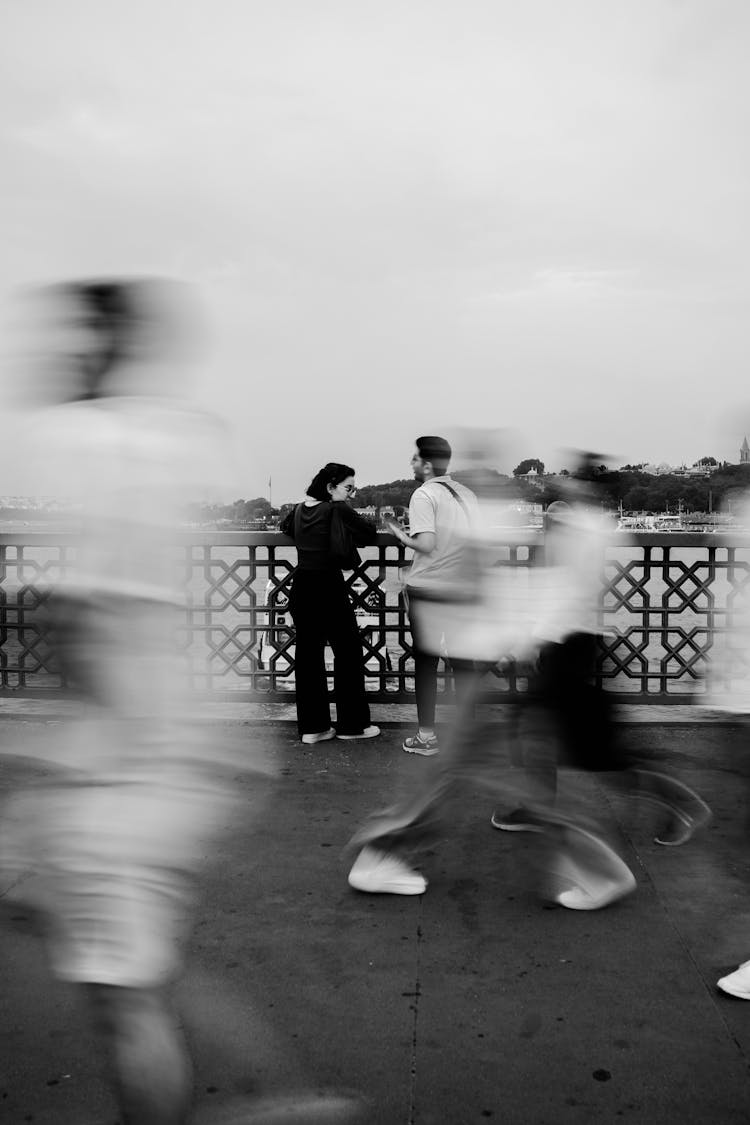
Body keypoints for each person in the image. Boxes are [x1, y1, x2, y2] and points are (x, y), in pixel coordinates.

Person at [387, 436, 479, 755]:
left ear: (427, 465)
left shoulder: (425, 494)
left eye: (414, 459)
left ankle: (426, 737)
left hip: (429, 588)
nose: (411, 464)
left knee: (426, 662)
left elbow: (425, 544)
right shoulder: (466, 494)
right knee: (463, 661)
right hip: (462, 588)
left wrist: (400, 535)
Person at [280, 463, 380, 745]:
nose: (352, 493)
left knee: (308, 657)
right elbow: (369, 531)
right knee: (347, 653)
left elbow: (285, 527)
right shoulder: (337, 509)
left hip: (301, 586)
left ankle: (313, 728)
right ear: (330, 487)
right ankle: (352, 725)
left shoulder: (299, 509)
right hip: (329, 586)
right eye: (348, 488)